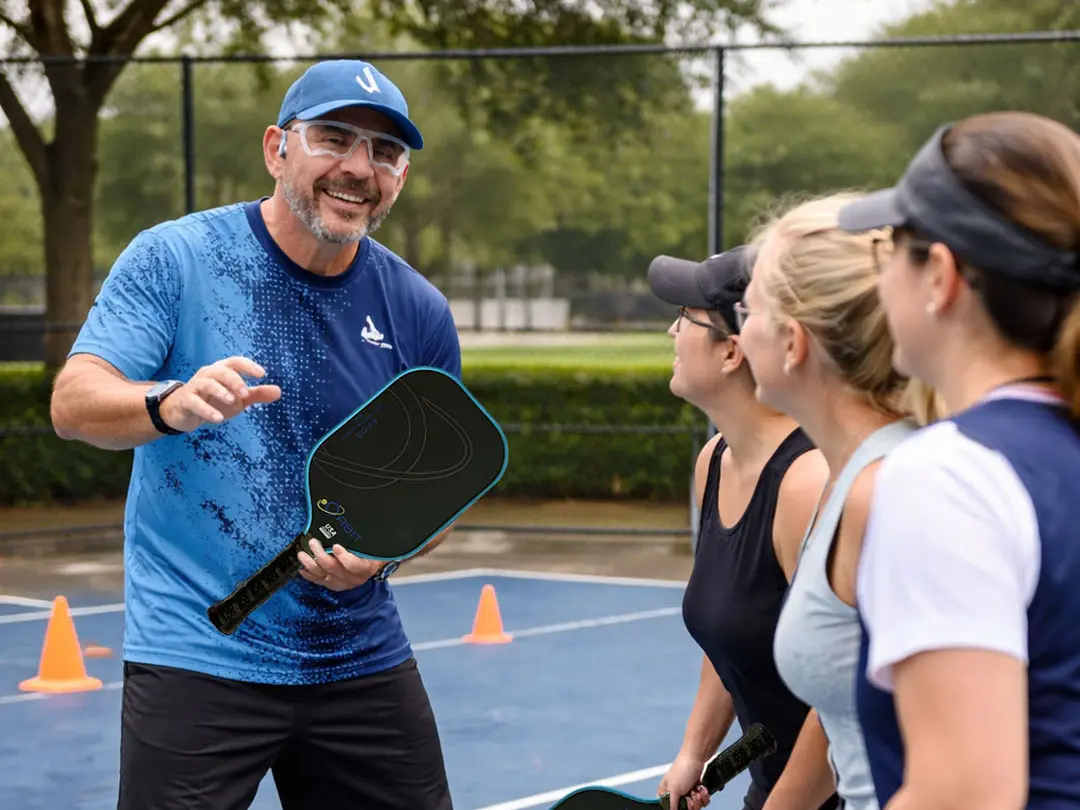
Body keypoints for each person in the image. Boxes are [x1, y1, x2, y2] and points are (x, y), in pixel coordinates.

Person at [50, 59, 460, 810]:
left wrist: (383, 552)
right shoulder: (175, 258)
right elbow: (75, 403)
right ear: (277, 148)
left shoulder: (419, 310)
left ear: (400, 176)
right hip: (198, 651)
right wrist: (165, 402)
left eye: (385, 152)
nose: (358, 168)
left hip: (357, 657)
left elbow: (434, 495)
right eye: (334, 138)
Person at [836, 110, 1080, 810]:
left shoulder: (950, 478)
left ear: (939, 275)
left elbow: (964, 794)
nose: (881, 280)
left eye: (889, 249)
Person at [736, 191, 928, 810]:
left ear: (793, 343)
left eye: (749, 308)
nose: (739, 329)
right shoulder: (849, 479)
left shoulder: (892, 494)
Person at [646, 247, 838, 810]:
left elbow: (841, 698)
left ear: (732, 351)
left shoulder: (808, 486)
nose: (670, 330)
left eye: (685, 318)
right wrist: (694, 751)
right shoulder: (714, 461)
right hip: (779, 789)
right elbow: (731, 634)